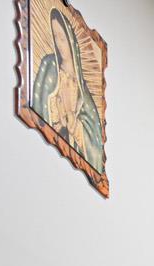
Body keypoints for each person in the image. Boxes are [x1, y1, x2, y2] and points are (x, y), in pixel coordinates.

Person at [32, 9, 104, 175]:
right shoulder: (49, 65)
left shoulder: (84, 95)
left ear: (72, 42)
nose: (59, 44)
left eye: (63, 38)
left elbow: (94, 146)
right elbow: (39, 105)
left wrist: (74, 124)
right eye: (55, 37)